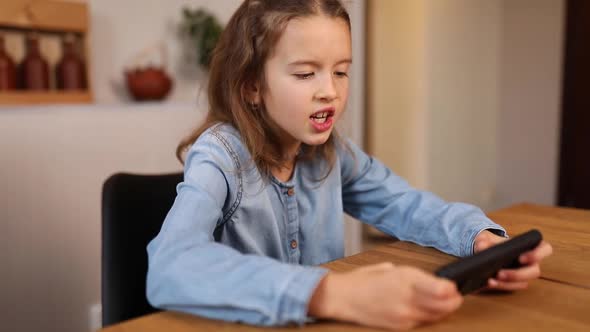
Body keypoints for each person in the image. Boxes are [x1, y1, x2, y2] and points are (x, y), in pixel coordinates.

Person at [146, 0, 553, 330]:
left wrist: (479, 239)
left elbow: (408, 206)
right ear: (252, 85)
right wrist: (329, 294)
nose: (330, 92)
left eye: (341, 72)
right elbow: (171, 264)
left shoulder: (332, 153)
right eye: (306, 74)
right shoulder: (219, 156)